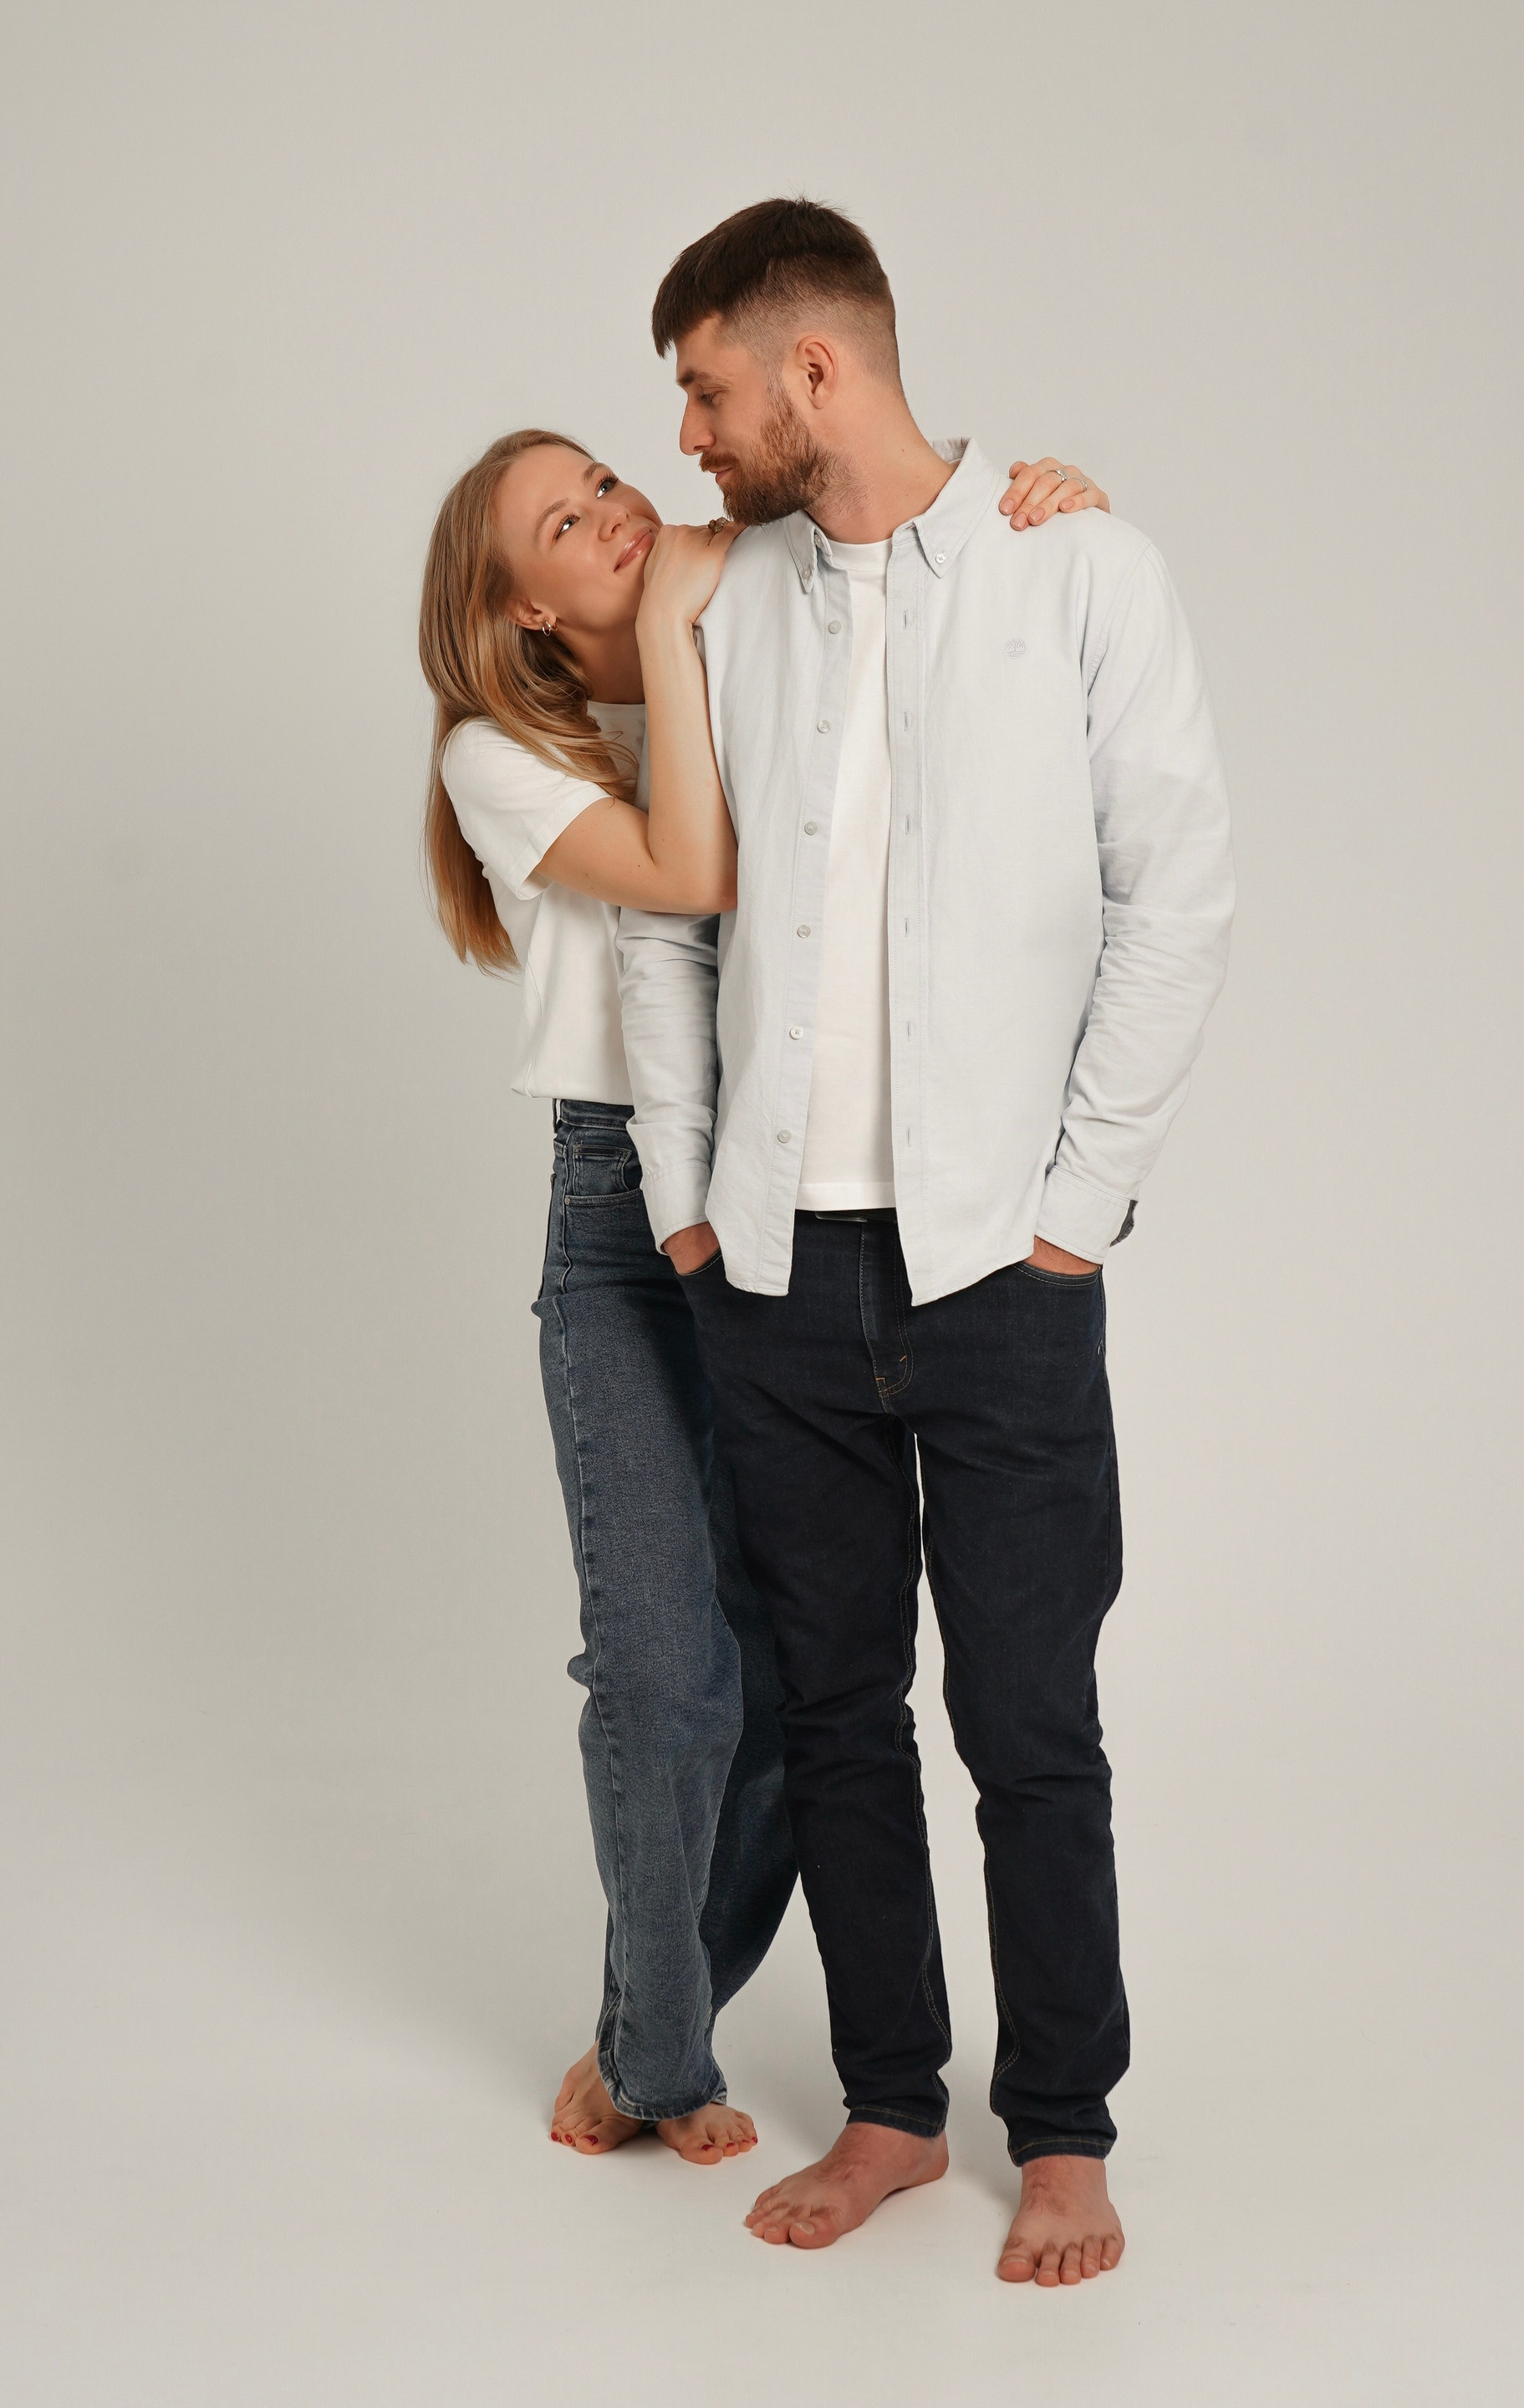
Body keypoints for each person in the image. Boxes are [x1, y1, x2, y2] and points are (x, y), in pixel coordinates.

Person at [616, 197, 1234, 2280]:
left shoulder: (1081, 568)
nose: (686, 434)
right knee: (834, 1713)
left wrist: (1074, 1214)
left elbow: (1177, 892)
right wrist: (689, 1203)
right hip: (778, 1271)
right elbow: (675, 922)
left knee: (1030, 1725)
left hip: (999, 1272)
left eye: (705, 388)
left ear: (813, 367)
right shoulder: (728, 599)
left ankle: (1062, 2132)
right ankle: (893, 2103)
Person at [417, 426, 1108, 2166]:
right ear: (517, 608)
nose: (614, 510)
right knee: (664, 1668)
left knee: (810, 1675)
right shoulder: (504, 751)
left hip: (793, 1192)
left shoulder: (747, 628)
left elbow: (893, 548)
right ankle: (656, 2058)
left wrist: (1039, 514)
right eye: (564, 521)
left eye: (604, 480)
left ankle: (653, 2027)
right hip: (621, 1214)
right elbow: (694, 879)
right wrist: (681, 624)